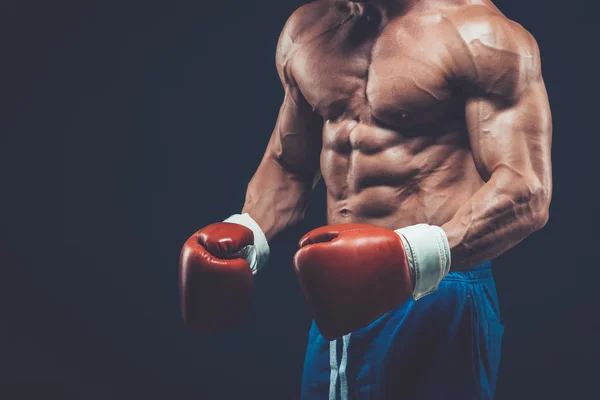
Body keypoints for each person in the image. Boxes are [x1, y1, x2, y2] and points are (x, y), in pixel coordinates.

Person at [179, 0, 552, 398]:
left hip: (437, 287)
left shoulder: (479, 33)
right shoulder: (307, 31)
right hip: (339, 293)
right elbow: (288, 167)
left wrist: (412, 258)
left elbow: (525, 190)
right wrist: (246, 228)